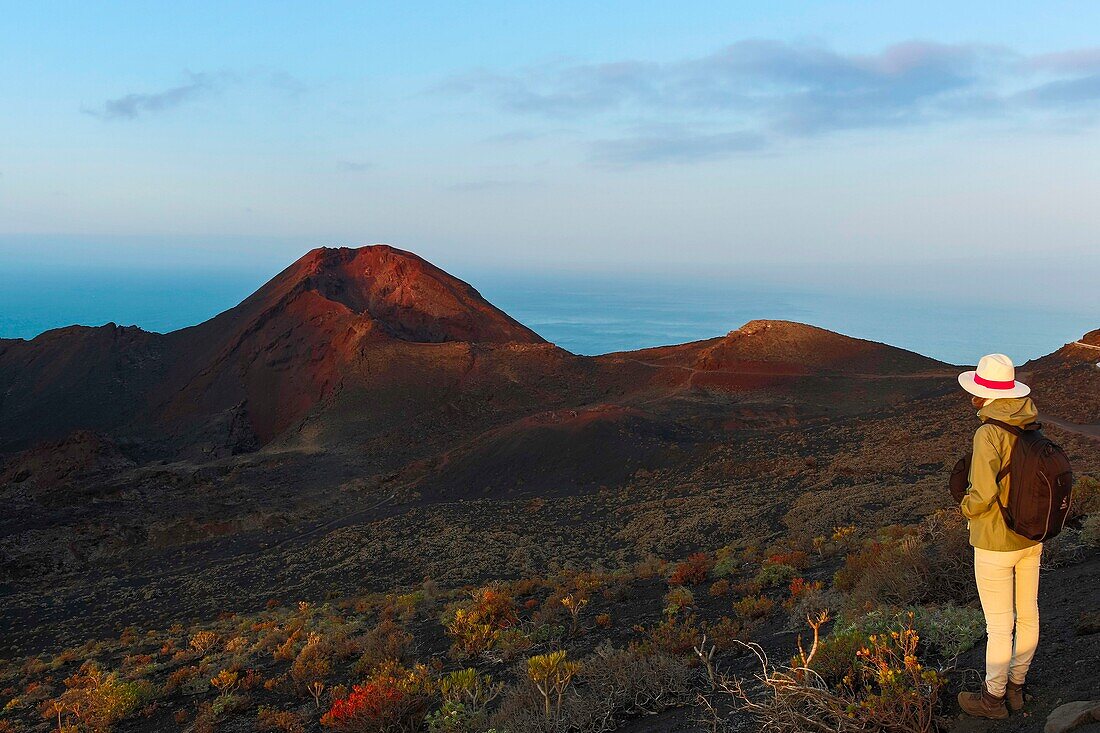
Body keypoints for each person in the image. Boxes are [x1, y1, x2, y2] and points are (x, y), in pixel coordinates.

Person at [955, 353, 1042, 720]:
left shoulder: (988, 432)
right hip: (1031, 536)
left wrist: (965, 508)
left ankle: (993, 699)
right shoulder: (1030, 424)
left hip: (995, 541)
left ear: (984, 396)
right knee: (1028, 615)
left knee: (999, 624)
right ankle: (1017, 689)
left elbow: (983, 493)